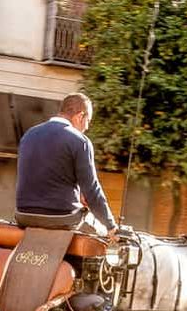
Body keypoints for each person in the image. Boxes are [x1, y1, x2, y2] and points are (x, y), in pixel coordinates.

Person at [15, 92, 117, 237]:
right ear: (80, 116)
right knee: (102, 232)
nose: (87, 127)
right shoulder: (80, 141)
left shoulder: (29, 135)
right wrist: (111, 226)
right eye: (88, 121)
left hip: (23, 215)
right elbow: (92, 191)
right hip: (61, 217)